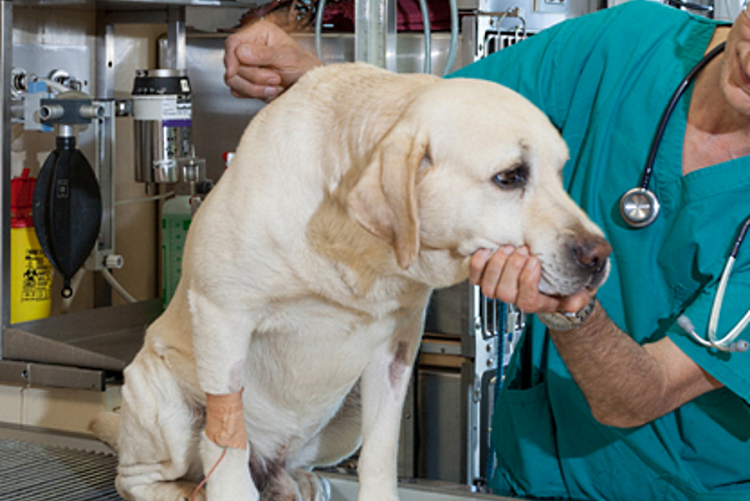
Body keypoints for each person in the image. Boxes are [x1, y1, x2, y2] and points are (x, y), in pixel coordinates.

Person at [223, 1, 750, 499]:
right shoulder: (628, 44)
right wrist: (313, 76)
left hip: (693, 486)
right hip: (538, 471)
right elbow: (438, 113)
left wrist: (571, 314)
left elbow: (643, 393)